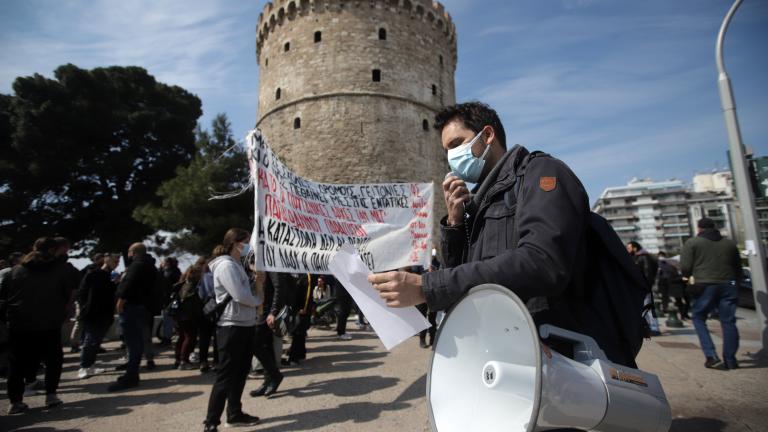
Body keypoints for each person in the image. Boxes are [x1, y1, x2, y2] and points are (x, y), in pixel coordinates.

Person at [367, 101, 632, 365]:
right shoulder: (477, 203)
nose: (451, 156)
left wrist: (427, 287)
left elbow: (543, 261)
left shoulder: (541, 173)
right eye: (446, 150)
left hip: (558, 356)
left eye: (457, 143)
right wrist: (455, 225)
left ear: (488, 135)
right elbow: (463, 280)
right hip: (504, 354)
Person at [1, 238, 78, 414]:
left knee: (16, 364)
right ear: (52, 250)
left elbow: (4, 296)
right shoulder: (60, 270)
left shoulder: (15, 271)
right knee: (53, 360)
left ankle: (15, 401)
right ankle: (51, 395)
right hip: (49, 323)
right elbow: (68, 294)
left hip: (19, 324)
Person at [204, 228, 262, 431]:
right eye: (247, 242)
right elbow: (240, 295)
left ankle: (234, 413)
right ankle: (211, 422)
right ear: (237, 243)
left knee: (240, 373)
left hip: (244, 324)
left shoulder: (237, 264)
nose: (249, 247)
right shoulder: (225, 265)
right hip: (231, 326)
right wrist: (258, 300)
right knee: (226, 376)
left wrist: (256, 282)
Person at [680, 217, 742, 370]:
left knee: (698, 317)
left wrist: (687, 277)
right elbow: (738, 268)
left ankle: (711, 356)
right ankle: (730, 359)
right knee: (728, 321)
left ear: (699, 228)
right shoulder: (729, 243)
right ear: (714, 227)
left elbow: (685, 267)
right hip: (729, 284)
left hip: (705, 284)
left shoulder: (693, 242)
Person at [108, 242, 157, 392]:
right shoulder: (150, 266)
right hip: (143, 308)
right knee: (138, 341)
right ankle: (132, 373)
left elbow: (128, 285)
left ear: (133, 252)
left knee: (133, 343)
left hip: (132, 307)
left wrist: (120, 302)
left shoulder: (137, 265)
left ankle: (131, 375)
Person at [77, 253, 119, 379]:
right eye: (114, 261)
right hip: (93, 313)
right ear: (106, 260)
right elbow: (83, 292)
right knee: (90, 340)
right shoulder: (94, 274)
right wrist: (84, 307)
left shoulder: (110, 276)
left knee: (96, 341)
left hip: (105, 313)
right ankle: (84, 366)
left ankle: (90, 365)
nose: (116, 263)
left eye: (117, 262)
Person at [249, 271, 290, 398]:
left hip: (267, 311)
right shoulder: (257, 263)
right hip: (259, 310)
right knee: (266, 346)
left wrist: (273, 311)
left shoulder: (270, 263)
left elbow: (279, 288)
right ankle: (269, 380)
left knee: (255, 344)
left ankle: (274, 375)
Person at [173, 258, 205, 370]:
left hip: (180, 316)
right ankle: (183, 360)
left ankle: (178, 359)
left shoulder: (183, 284)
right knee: (189, 337)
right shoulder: (193, 287)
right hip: (188, 316)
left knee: (182, 337)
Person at [627, 241, 661, 336]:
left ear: (635, 248)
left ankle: (655, 328)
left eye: (629, 248)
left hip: (644, 286)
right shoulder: (637, 257)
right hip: (639, 286)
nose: (628, 250)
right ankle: (647, 327)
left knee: (648, 307)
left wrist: (645, 285)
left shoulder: (644, 257)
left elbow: (648, 272)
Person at [198, 261, 218, 373]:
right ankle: (216, 362)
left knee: (204, 338)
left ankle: (203, 362)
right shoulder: (217, 276)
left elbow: (200, 294)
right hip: (216, 309)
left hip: (204, 309)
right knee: (216, 338)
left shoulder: (202, 278)